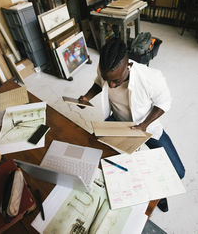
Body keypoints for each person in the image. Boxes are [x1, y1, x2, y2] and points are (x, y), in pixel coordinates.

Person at [79, 38, 185, 212]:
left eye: (116, 81)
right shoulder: (106, 70)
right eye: (109, 80)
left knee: (177, 172)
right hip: (117, 123)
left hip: (146, 127)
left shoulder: (151, 77)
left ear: (128, 65)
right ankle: (133, 193)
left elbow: (164, 103)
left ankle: (157, 194)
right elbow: (99, 83)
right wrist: (86, 97)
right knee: (110, 162)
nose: (111, 85)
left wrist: (144, 125)